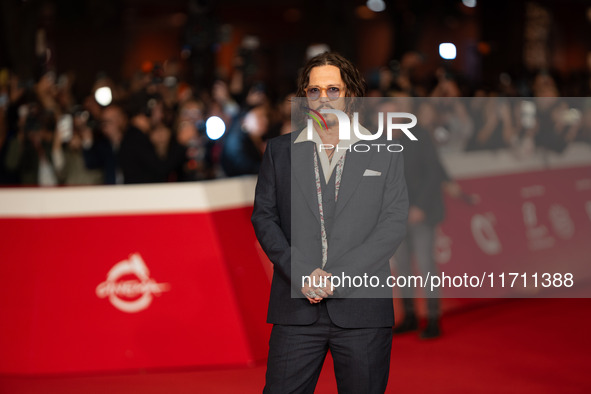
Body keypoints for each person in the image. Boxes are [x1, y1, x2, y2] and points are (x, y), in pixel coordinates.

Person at [251, 52, 408, 393]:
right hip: (296, 308)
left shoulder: (384, 151)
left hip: (363, 311)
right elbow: (264, 217)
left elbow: (393, 224)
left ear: (351, 95)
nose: (323, 99)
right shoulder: (280, 151)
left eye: (333, 90)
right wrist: (302, 271)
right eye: (313, 91)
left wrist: (341, 276)